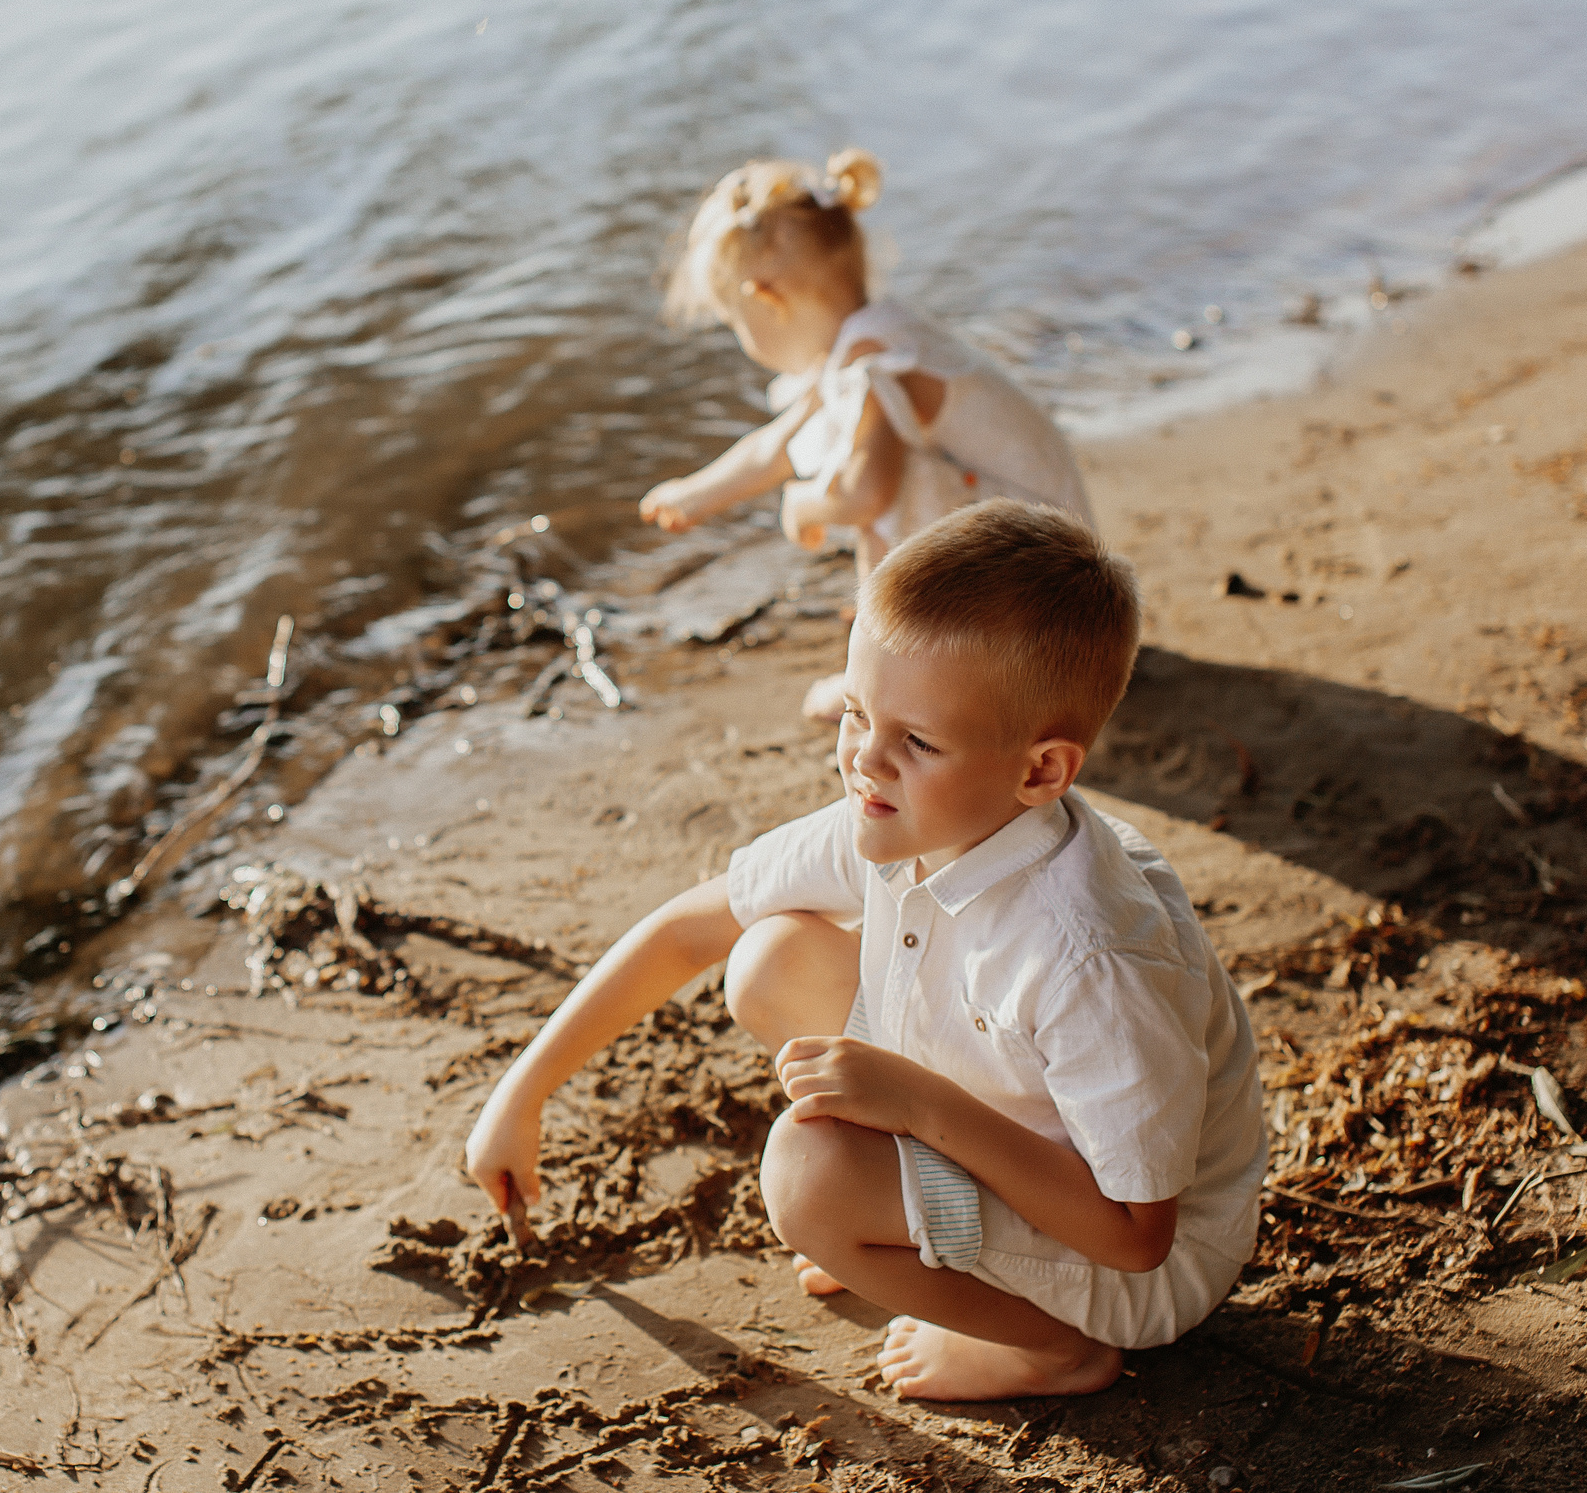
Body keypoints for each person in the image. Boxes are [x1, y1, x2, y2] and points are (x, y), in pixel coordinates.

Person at [464, 501, 1263, 1401]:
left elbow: (1137, 1234)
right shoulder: (923, 812)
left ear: (1041, 770)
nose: (863, 761)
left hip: (1136, 1264)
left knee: (807, 1178)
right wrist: (523, 1092)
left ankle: (1053, 1348)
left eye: (916, 741)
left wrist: (915, 1104)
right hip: (1023, 1134)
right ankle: (914, 1231)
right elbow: (689, 927)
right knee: (769, 959)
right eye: (855, 712)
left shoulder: (1090, 956)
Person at [637, 149, 1095, 722]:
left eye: (735, 322)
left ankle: (880, 681)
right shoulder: (872, 335)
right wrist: (697, 492)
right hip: (1064, 577)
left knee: (882, 484)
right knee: (878, 463)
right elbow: (776, 445)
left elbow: (866, 493)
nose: (742, 340)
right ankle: (906, 657)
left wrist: (801, 507)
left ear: (768, 298)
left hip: (1040, 600)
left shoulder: (872, 364)